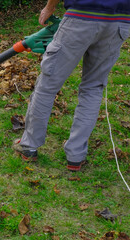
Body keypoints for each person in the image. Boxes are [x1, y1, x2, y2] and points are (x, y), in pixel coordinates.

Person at [13, 0, 130, 171]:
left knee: (47, 85)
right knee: (93, 88)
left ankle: (29, 146)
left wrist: (50, 6)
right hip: (119, 22)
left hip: (81, 16)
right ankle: (76, 155)